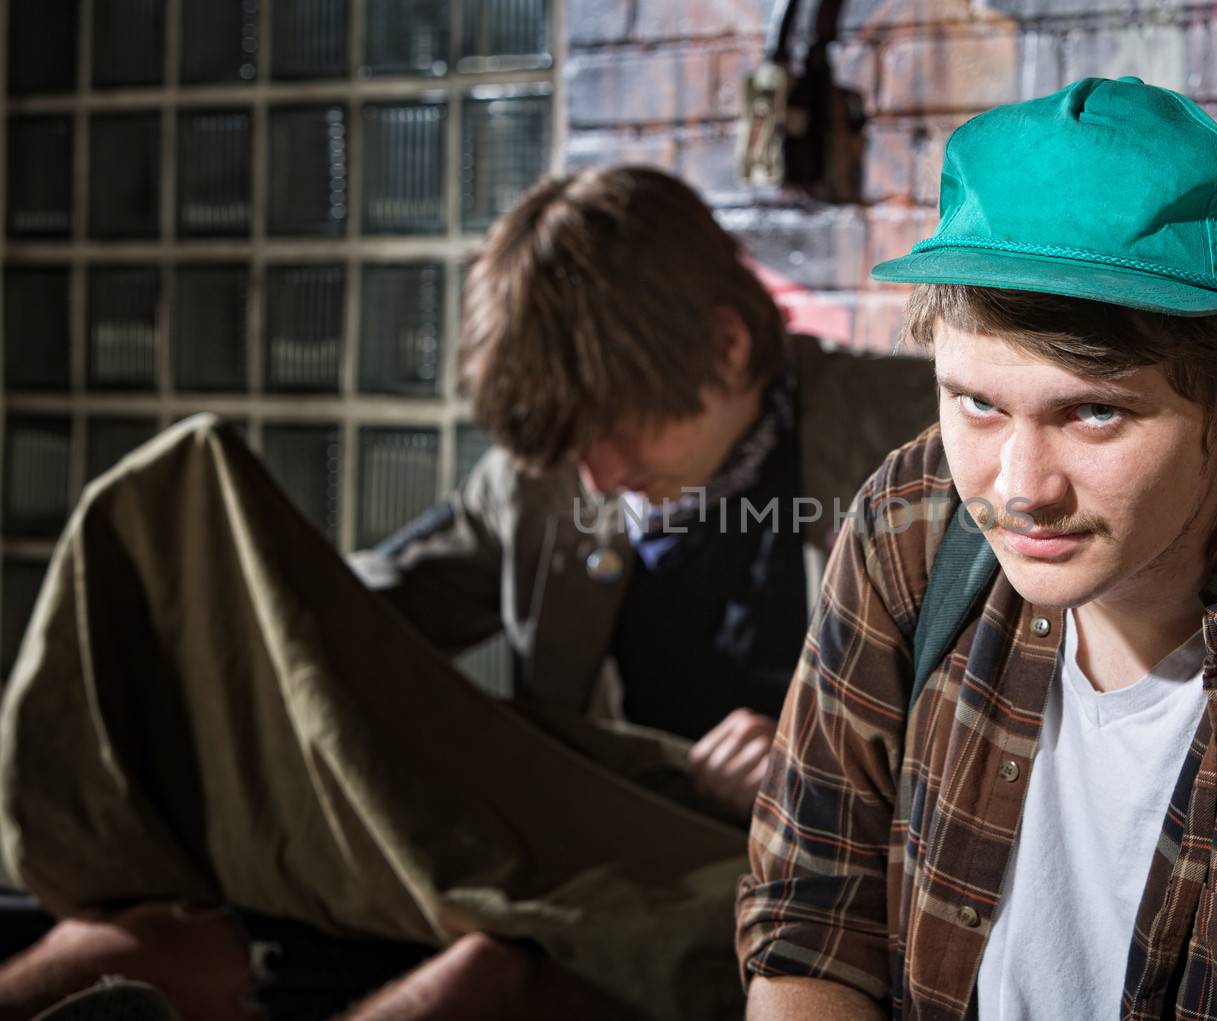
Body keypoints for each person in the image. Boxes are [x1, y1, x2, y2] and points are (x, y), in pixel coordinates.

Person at [0, 166, 936, 1020]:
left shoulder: (921, 448)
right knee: (141, 943)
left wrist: (814, 761)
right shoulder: (548, 486)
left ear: (729, 347)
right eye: (571, 447)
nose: (598, 477)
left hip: (792, 881)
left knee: (486, 973)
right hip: (584, 862)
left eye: (616, 431)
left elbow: (1026, 726)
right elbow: (353, 626)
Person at [737, 77, 1217, 1021]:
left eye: (1094, 411)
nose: (1019, 485)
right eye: (978, 403)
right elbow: (811, 918)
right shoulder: (916, 522)